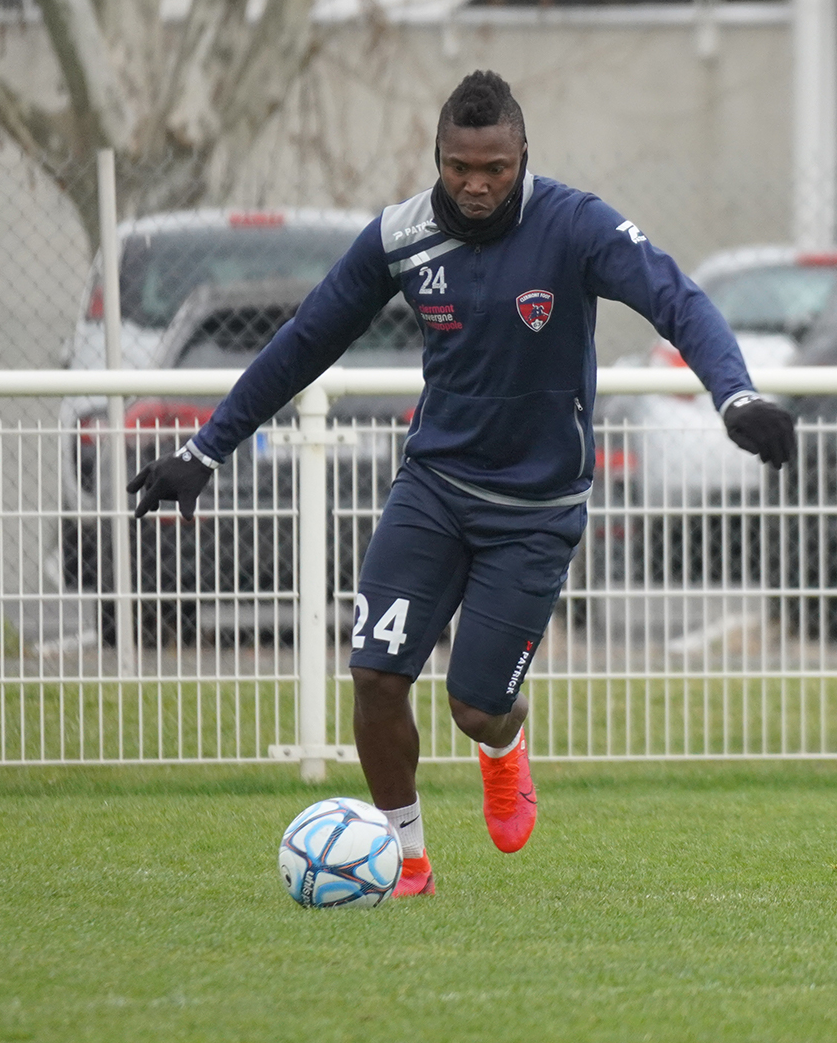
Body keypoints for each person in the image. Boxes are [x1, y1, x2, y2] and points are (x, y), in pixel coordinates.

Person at [127, 71, 795, 897]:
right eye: (458, 167)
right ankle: (406, 862)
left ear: (524, 158)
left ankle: (504, 746)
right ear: (437, 157)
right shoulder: (400, 237)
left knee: (474, 705)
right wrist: (206, 451)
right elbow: (305, 341)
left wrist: (735, 391)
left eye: (497, 168)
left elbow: (677, 300)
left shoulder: (576, 226)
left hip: (537, 509)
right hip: (434, 487)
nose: (477, 185)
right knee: (374, 674)